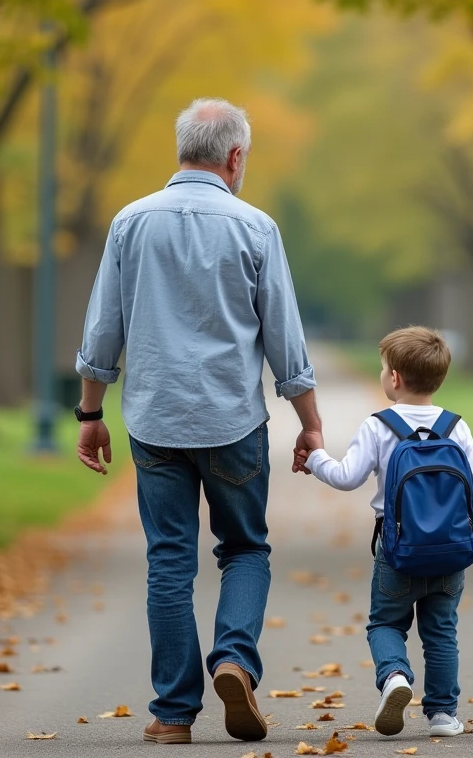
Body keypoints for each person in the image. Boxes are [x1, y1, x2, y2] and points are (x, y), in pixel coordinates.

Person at [74, 97, 323, 745]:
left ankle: (172, 714)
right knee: (244, 548)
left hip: (155, 422)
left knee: (168, 561)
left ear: (181, 148)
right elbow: (286, 345)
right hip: (234, 422)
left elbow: (103, 329)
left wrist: (90, 413)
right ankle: (235, 660)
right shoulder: (256, 227)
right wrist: (311, 423)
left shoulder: (130, 223)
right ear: (235, 157)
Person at [294, 326, 473, 739]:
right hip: (451, 552)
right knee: (441, 631)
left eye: (383, 367)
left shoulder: (378, 425)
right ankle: (442, 716)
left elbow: (347, 477)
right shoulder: (455, 427)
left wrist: (315, 458)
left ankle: (394, 678)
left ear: (394, 379)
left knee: (385, 624)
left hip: (397, 549)